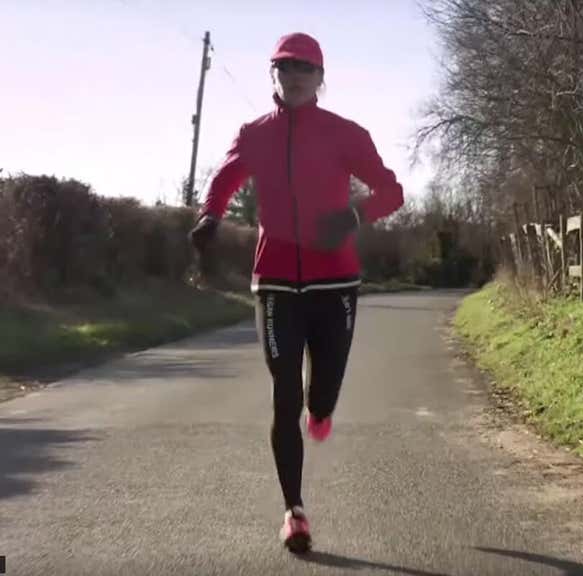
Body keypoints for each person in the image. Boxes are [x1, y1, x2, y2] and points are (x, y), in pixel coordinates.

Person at [188, 32, 404, 554]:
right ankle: (295, 511)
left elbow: (391, 191)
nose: (295, 75)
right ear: (275, 74)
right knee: (284, 396)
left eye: (305, 67)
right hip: (277, 281)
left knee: (320, 393)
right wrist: (210, 217)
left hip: (336, 281)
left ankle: (323, 409)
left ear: (320, 77)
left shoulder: (346, 134)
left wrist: (352, 217)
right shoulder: (255, 134)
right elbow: (224, 178)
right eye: (285, 66)